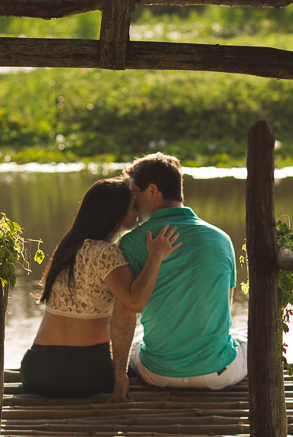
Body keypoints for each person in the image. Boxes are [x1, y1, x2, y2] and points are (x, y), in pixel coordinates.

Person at [20, 177, 181, 398]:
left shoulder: (68, 247)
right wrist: (156, 255)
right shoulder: (105, 253)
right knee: (139, 353)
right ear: (114, 213)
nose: (137, 211)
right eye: (133, 206)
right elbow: (135, 302)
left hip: (37, 370)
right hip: (85, 372)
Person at [109, 153, 247, 403]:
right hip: (217, 375)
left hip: (157, 374)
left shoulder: (131, 242)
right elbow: (223, 310)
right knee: (245, 336)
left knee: (138, 338)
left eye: (134, 193)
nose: (132, 202)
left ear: (152, 191)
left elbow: (123, 315)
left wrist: (119, 376)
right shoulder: (221, 239)